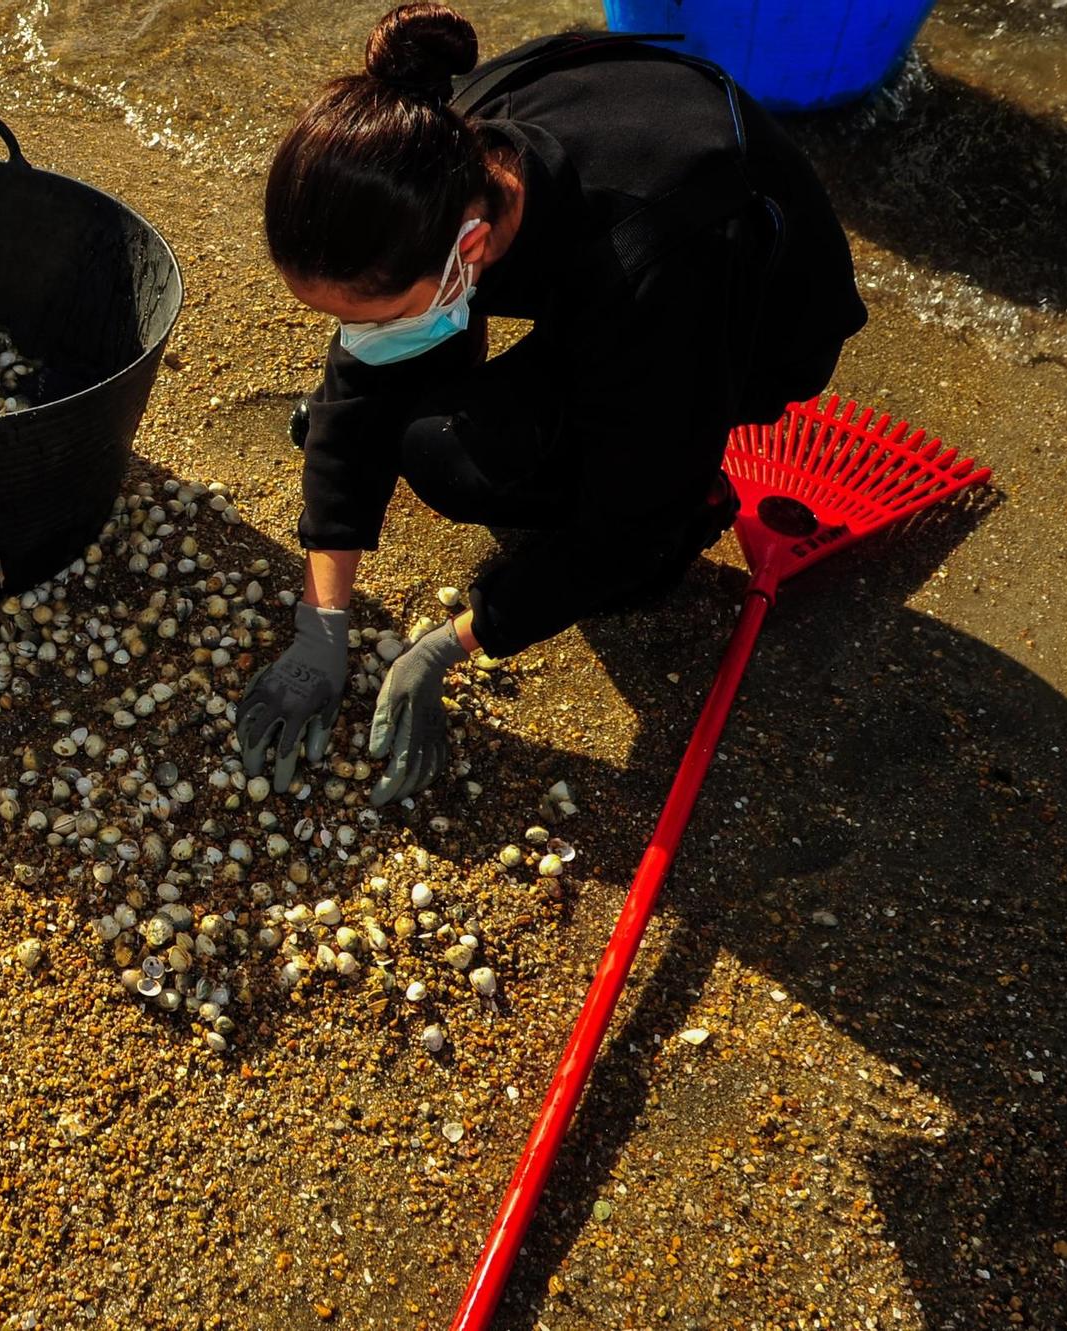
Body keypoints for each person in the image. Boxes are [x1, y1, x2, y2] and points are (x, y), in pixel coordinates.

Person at [234, 2, 867, 806]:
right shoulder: (435, 149)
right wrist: (321, 624)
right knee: (393, 403)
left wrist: (456, 642)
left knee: (458, 461)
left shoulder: (652, 276)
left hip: (752, 325)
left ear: (470, 250)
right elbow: (357, 387)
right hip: (603, 266)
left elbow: (626, 525)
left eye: (372, 316)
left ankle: (701, 499)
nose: (353, 337)